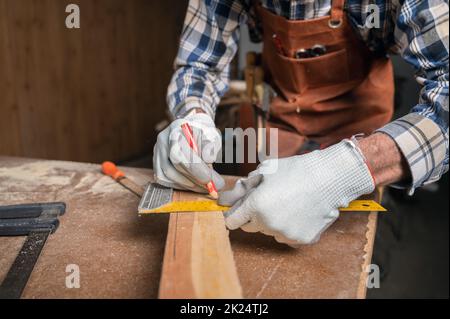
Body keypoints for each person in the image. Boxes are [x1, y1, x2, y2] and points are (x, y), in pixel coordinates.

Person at [153, 0, 448, 245]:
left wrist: (349, 169)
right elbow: (200, 65)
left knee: (357, 255)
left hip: (362, 133)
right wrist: (192, 117)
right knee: (260, 243)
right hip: (283, 123)